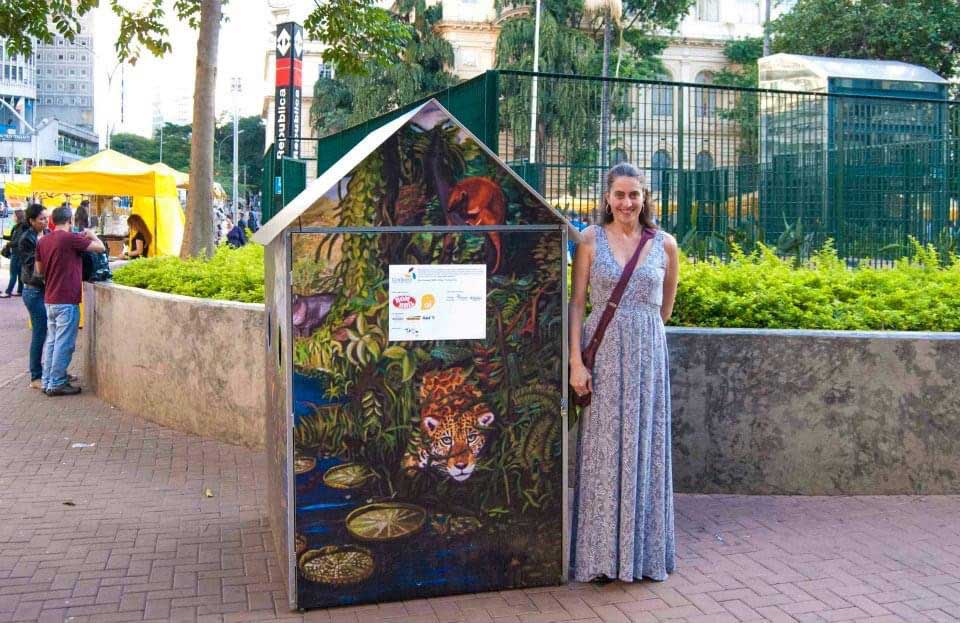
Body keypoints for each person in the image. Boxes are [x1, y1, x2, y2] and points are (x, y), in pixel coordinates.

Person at [568, 163, 680, 583]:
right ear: (607, 198)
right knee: (603, 452)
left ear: (645, 197)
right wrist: (576, 362)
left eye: (634, 194)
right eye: (619, 194)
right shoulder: (590, 240)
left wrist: (639, 334)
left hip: (647, 358)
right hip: (603, 356)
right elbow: (577, 303)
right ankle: (600, 559)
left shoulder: (666, 245)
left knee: (645, 448)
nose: (627, 203)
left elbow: (664, 309)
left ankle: (643, 557)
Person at [35, 206, 106, 396]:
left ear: (52, 221)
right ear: (70, 221)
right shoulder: (70, 238)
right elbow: (100, 248)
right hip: (66, 298)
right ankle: (57, 382)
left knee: (52, 341)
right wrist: (92, 235)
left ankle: (48, 381)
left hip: (50, 298)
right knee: (64, 343)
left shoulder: (43, 241)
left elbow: (39, 270)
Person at [18, 204, 49, 390]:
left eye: (46, 218)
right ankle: (36, 376)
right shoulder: (26, 239)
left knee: (51, 331)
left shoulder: (47, 234)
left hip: (46, 289)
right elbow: (33, 265)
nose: (45, 221)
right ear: (31, 221)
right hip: (33, 291)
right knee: (40, 332)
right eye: (41, 219)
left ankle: (52, 370)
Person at [1, 208, 26, 298]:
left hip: (17, 253)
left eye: (14, 215)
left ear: (18, 216)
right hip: (19, 253)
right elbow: (13, 238)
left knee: (13, 273)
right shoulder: (18, 226)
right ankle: (20, 291)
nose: (12, 217)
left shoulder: (20, 227)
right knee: (19, 273)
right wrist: (3, 236)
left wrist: (8, 244)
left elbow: (18, 241)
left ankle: (8, 291)